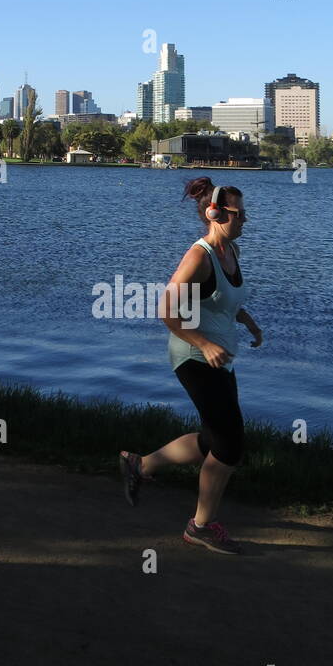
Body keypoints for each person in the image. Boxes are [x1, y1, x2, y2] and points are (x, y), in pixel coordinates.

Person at [119, 177, 263, 554]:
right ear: (215, 214)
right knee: (230, 446)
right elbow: (166, 309)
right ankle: (200, 526)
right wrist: (203, 342)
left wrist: (245, 319)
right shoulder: (198, 256)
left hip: (220, 356)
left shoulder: (230, 251)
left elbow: (219, 300)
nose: (245, 220)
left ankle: (140, 465)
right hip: (193, 356)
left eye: (245, 213)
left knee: (213, 439)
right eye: (239, 214)